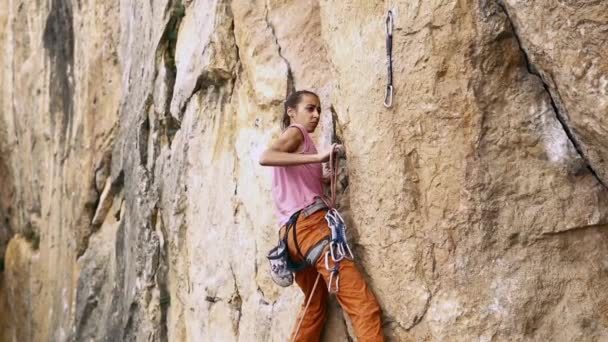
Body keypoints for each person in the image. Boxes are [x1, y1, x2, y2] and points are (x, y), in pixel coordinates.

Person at [259, 90, 384, 341]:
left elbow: (301, 182)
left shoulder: (299, 149)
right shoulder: (297, 133)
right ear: (291, 112)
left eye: (318, 109)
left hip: (291, 239)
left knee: (314, 306)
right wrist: (317, 156)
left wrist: (323, 173)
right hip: (312, 228)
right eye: (309, 108)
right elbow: (266, 157)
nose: (316, 114)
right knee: (363, 305)